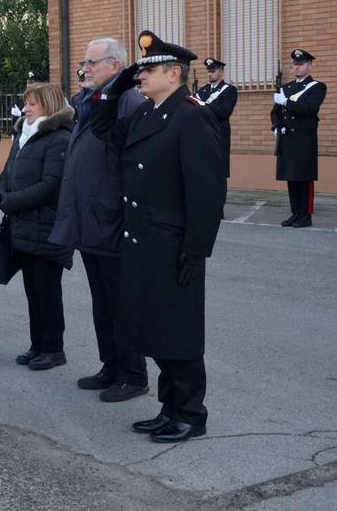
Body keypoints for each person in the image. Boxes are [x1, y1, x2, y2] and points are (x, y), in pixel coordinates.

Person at [89, 30, 225, 443]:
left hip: (172, 244)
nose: (141, 77)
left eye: (149, 70)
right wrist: (115, 86)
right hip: (143, 240)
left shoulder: (191, 115)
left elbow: (207, 192)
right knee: (156, 331)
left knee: (178, 333)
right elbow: (102, 129)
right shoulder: (149, 113)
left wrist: (196, 251)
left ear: (174, 73)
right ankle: (170, 408)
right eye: (139, 71)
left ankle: (191, 413)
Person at [49, 37, 149, 402]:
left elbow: (134, 163)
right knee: (102, 303)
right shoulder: (94, 100)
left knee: (121, 303)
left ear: (115, 65)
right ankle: (111, 366)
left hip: (112, 220)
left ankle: (133, 375)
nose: (85, 68)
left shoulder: (128, 101)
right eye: (84, 62)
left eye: (92, 62)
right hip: (92, 220)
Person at [0, 83, 74, 371]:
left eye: (32, 104)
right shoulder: (24, 133)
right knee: (32, 290)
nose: (26, 109)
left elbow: (51, 185)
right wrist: (1, 196)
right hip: (24, 225)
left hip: (48, 227)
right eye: (26, 103)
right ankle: (37, 345)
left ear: (49, 105)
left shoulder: (59, 138)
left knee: (47, 291)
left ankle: (54, 348)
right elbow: (8, 172)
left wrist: (11, 202)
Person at [271, 49, 327, 228]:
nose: (297, 67)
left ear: (309, 66)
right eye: (295, 64)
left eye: (301, 64)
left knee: (304, 178)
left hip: (304, 139)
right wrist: (277, 126)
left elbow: (309, 109)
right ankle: (295, 213)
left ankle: (306, 215)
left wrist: (286, 102)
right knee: (292, 178)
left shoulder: (317, 87)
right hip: (287, 138)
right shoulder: (286, 88)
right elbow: (275, 112)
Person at [195, 59, 237, 178]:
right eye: (208, 71)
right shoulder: (203, 90)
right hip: (202, 133)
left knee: (218, 169)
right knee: (203, 168)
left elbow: (224, 111)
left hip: (218, 133)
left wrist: (203, 106)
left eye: (212, 71)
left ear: (221, 72)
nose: (209, 74)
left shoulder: (229, 90)